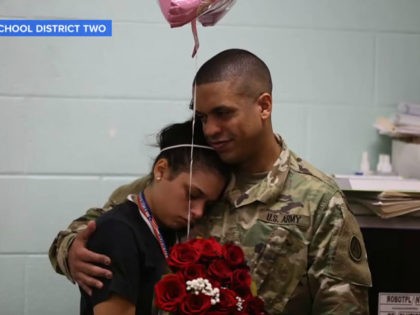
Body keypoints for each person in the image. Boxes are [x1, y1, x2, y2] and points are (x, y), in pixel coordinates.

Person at [49, 48, 372, 314]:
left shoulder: (317, 200)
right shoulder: (190, 174)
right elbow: (94, 226)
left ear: (264, 106)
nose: (210, 129)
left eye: (223, 113)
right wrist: (71, 252)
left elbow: (342, 306)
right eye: (203, 117)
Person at [76, 119, 230, 315]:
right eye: (192, 194)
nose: (198, 212)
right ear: (161, 170)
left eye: (207, 204)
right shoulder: (118, 232)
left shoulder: (173, 229)